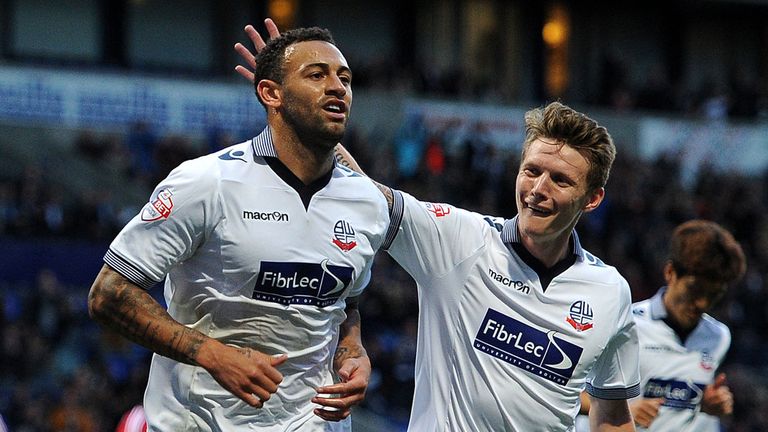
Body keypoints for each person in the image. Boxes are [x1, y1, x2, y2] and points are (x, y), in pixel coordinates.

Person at [238, 20, 640, 432]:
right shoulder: (459, 240)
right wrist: (291, 102)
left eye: (560, 180)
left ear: (592, 199)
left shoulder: (610, 292)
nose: (538, 189)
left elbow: (612, 416)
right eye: (531, 171)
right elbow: (366, 191)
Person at [88, 26, 396, 431]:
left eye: (344, 77)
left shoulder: (368, 203)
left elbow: (347, 304)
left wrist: (352, 349)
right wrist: (211, 354)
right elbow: (108, 294)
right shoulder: (206, 182)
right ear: (271, 94)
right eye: (316, 74)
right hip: (197, 422)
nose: (338, 87)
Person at [577, 220, 744, 431]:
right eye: (695, 289)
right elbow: (568, 392)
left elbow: (687, 397)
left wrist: (709, 402)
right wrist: (618, 410)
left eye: (714, 295)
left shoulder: (719, 336)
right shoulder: (624, 323)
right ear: (670, 272)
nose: (702, 303)